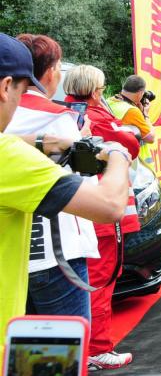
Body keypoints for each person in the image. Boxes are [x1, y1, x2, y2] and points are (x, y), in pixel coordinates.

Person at [0, 33, 130, 365]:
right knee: (52, 363)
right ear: (5, 87)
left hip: (25, 268)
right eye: (20, 91)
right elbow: (108, 205)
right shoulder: (9, 155)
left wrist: (41, 142)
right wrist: (118, 154)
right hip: (54, 256)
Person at [5, 35, 98, 325]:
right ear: (48, 72)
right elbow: (96, 196)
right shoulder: (57, 118)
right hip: (56, 252)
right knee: (61, 343)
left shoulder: (12, 119)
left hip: (13, 258)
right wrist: (102, 150)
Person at [62, 64, 141, 371]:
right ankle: (97, 348)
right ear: (95, 91)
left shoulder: (63, 113)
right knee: (101, 279)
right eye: (101, 88)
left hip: (70, 210)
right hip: (100, 208)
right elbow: (131, 144)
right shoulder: (95, 116)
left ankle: (86, 347)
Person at [106, 75, 155, 143]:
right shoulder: (132, 111)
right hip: (130, 148)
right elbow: (150, 138)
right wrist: (145, 114)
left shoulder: (108, 101)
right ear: (140, 93)